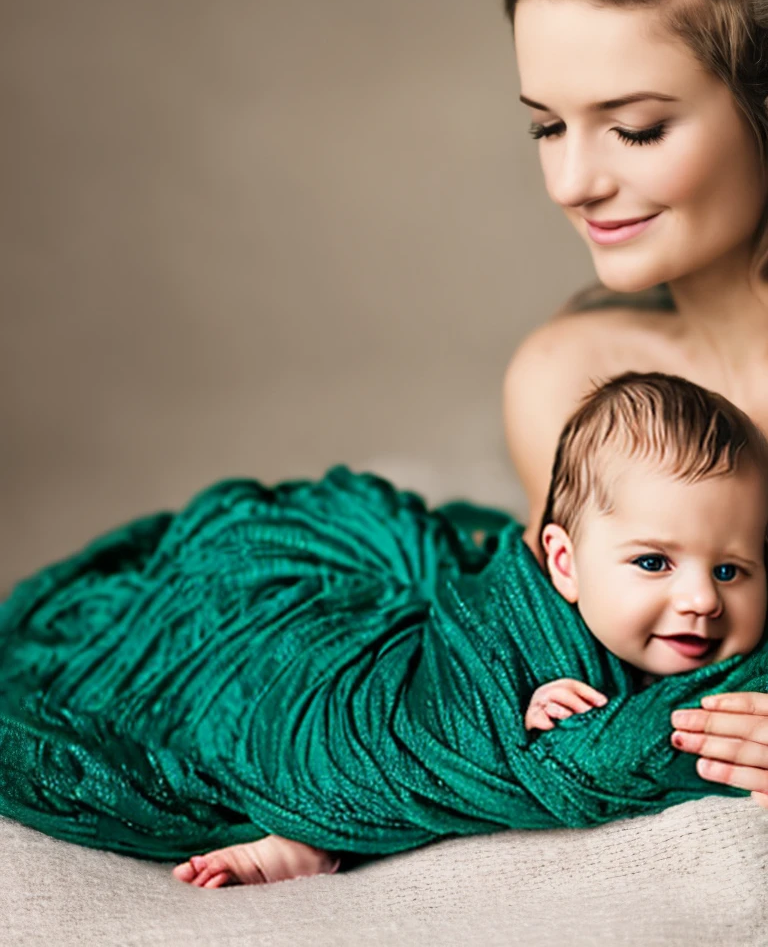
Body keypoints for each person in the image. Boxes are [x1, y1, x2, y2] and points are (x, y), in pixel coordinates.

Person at [173, 370, 768, 887]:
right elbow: (471, 712)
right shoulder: (525, 627)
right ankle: (313, 827)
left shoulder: (741, 668)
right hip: (409, 681)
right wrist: (529, 705)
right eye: (653, 562)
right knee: (331, 712)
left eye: (728, 569)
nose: (701, 599)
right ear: (564, 565)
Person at [483, 0, 768, 812]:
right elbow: (574, 687)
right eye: (547, 126)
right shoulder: (571, 380)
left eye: (637, 128)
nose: (573, 183)